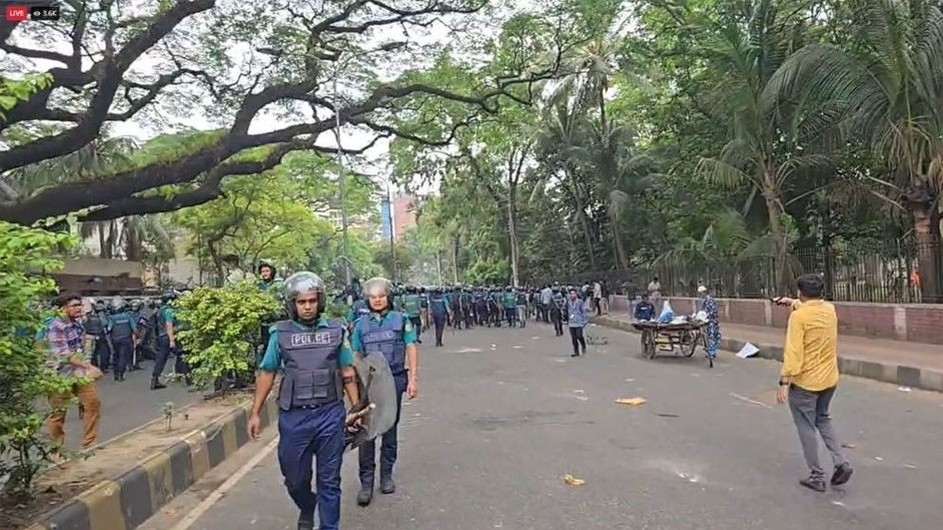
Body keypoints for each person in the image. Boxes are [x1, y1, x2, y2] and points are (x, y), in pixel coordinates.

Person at [247, 272, 362, 530]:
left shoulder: (336, 331)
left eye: (312, 301)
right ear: (293, 304)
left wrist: (356, 409)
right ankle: (307, 505)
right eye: (302, 302)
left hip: (330, 415)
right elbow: (267, 372)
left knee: (329, 481)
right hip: (294, 418)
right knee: (294, 479)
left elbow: (347, 372)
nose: (307, 307)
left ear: (319, 302)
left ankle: (329, 526)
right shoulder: (280, 334)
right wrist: (255, 412)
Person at [774, 274, 853, 492]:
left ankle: (817, 475)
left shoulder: (799, 318)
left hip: (806, 383)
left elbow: (793, 352)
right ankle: (840, 462)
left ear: (801, 292)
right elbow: (809, 307)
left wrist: (784, 382)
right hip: (829, 380)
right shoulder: (829, 309)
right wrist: (791, 303)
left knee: (806, 427)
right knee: (823, 419)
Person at [351, 277, 419, 506]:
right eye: (373, 297)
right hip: (370, 384)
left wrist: (413, 379)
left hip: (396, 379)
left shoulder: (401, 320)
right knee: (367, 432)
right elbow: (356, 354)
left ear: (388, 297)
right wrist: (357, 386)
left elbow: (410, 346)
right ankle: (366, 483)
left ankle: (386, 475)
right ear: (367, 299)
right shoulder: (360, 324)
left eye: (381, 296)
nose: (377, 300)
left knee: (389, 427)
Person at [43, 293, 103, 450]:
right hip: (58, 376)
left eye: (79, 305)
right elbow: (63, 355)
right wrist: (89, 367)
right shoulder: (55, 326)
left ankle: (90, 442)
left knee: (93, 403)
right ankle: (55, 450)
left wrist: (85, 365)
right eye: (74, 306)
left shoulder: (77, 325)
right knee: (58, 414)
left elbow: (78, 349)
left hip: (78, 373)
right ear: (63, 309)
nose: (79, 308)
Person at [697, 285, 720, 360]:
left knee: (712, 337)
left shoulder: (710, 300)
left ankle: (712, 353)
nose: (700, 296)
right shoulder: (705, 301)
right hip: (708, 321)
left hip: (712, 321)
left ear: (704, 293)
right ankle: (710, 352)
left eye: (701, 294)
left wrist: (706, 317)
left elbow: (712, 311)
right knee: (709, 336)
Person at [565, 288, 588, 357]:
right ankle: (576, 351)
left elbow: (583, 311)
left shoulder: (580, 302)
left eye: (573, 294)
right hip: (571, 322)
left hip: (579, 322)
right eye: (571, 294)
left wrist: (584, 321)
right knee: (574, 338)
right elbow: (566, 311)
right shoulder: (568, 302)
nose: (572, 295)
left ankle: (583, 345)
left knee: (579, 335)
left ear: (576, 294)